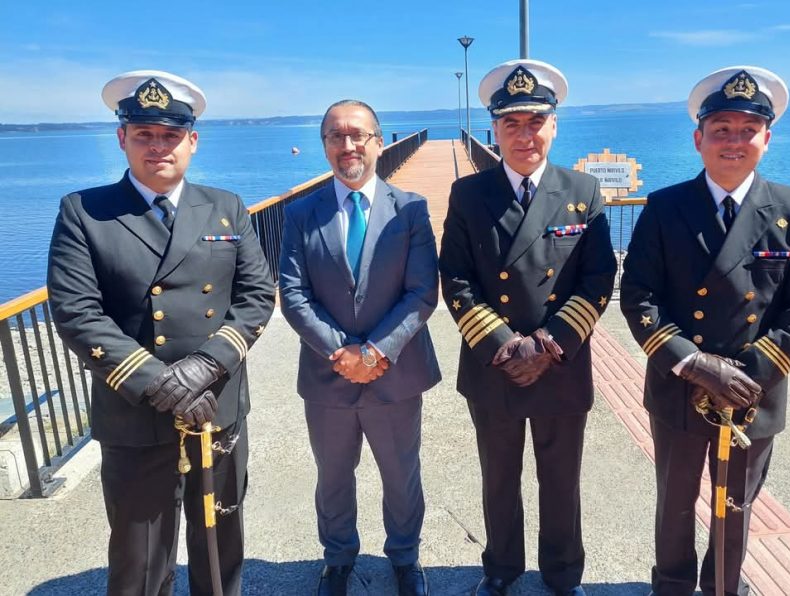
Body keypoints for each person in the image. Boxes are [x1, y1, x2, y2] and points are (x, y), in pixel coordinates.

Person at [47, 70, 275, 595]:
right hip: (135, 412)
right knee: (140, 560)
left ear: (191, 141)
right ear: (121, 138)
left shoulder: (226, 207)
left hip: (216, 406)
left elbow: (256, 297)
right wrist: (159, 383)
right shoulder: (85, 212)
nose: (157, 147)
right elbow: (78, 311)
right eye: (144, 134)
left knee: (220, 550)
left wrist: (207, 364)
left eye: (170, 135)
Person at [619, 66, 790, 596]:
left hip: (753, 394)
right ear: (699, 139)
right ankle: (670, 586)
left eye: (746, 130)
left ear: (767, 137)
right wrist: (694, 363)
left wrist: (745, 375)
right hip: (678, 386)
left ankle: (722, 587)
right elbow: (639, 296)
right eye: (721, 130)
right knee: (674, 501)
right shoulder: (666, 207)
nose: (733, 142)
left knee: (735, 505)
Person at [438, 59, 617, 596]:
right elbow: (457, 279)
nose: (524, 135)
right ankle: (501, 570)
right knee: (499, 481)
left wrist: (548, 344)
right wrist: (507, 344)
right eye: (511, 123)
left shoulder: (583, 191)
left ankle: (563, 576)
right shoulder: (470, 194)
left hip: (560, 365)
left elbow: (598, 278)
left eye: (535, 121)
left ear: (554, 126)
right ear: (494, 130)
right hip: (496, 366)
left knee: (561, 482)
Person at [278, 99, 441, 596]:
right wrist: (341, 353)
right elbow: (293, 293)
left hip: (396, 373)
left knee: (401, 475)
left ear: (379, 142)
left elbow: (421, 293)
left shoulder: (410, 208)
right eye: (335, 136)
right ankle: (338, 558)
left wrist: (374, 353)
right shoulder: (301, 212)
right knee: (332, 476)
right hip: (329, 378)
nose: (347, 145)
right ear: (324, 144)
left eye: (358, 135)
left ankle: (405, 557)